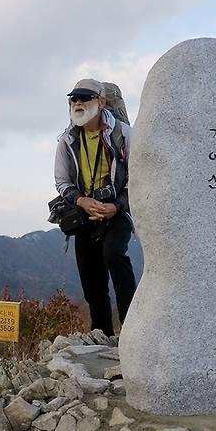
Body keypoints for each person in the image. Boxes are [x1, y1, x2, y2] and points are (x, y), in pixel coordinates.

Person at [54, 78, 136, 336]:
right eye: (73, 99)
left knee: (115, 256)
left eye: (84, 98)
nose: (78, 103)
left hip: (117, 212)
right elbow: (62, 181)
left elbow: (138, 178)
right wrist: (81, 200)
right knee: (92, 279)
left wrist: (116, 206)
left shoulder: (123, 134)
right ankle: (102, 334)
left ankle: (133, 331)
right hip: (85, 214)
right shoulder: (67, 141)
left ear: (100, 102)